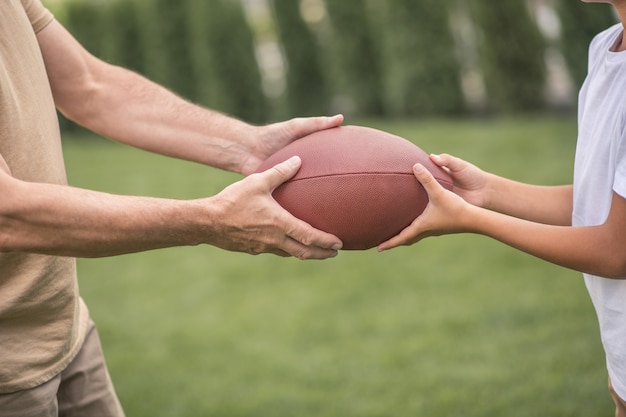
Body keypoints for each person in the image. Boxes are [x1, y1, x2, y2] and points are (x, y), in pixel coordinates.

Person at [0, 0, 344, 415]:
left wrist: (247, 145)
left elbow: (89, 85)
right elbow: (7, 213)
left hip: (64, 330)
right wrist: (210, 221)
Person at [379, 0, 626, 415]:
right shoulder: (606, 47)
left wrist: (471, 219)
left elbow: (615, 249)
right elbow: (597, 201)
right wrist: (487, 191)